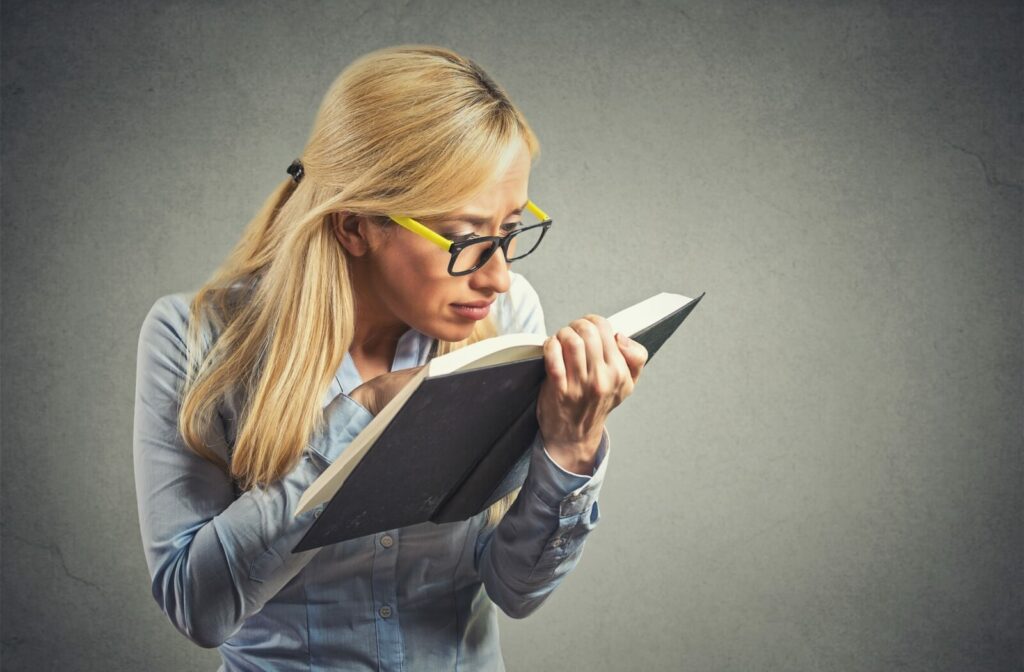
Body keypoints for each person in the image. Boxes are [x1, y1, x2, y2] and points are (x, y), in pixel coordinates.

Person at [132, 44, 648, 671]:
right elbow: (198, 609)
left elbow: (517, 590)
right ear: (355, 226)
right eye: (465, 241)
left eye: (510, 230)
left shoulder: (503, 322)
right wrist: (360, 419)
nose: (500, 279)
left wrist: (571, 450)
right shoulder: (197, 340)